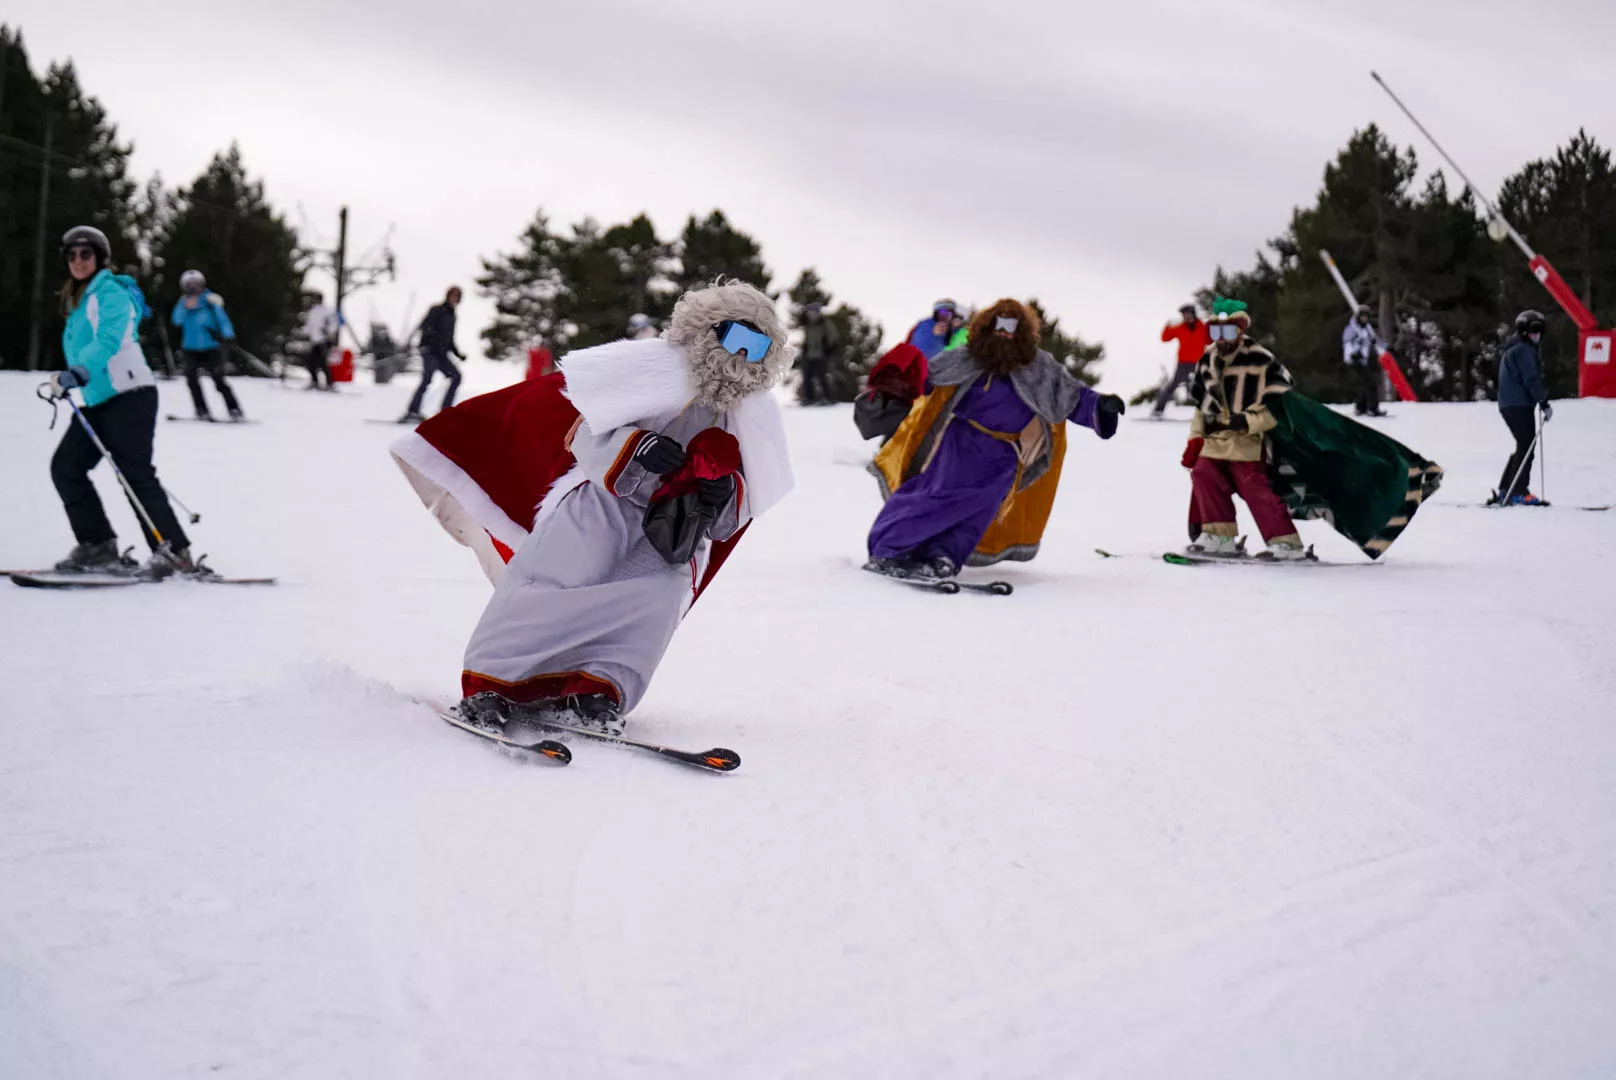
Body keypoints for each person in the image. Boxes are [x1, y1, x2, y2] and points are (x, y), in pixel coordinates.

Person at [390, 281, 796, 735]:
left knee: (657, 597)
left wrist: (727, 494)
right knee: (555, 577)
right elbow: (580, 432)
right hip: (606, 500)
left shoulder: (753, 411)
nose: (743, 356)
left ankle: (598, 690)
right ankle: (493, 684)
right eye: (735, 337)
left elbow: (751, 487)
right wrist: (635, 447)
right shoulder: (648, 367)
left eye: (757, 346)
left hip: (678, 521)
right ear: (707, 328)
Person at [866, 299, 1125, 580]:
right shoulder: (967, 357)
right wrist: (896, 385)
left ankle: (943, 555)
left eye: (1012, 326)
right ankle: (889, 548)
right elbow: (928, 376)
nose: (1005, 332)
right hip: (960, 446)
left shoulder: (1038, 367)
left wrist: (1100, 406)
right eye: (999, 324)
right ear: (988, 326)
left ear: (1022, 331)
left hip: (1004, 454)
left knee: (982, 508)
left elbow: (1071, 394)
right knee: (936, 499)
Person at [50, 226, 193, 575]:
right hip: (99, 399)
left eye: (86, 254)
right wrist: (72, 377)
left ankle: (174, 552)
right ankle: (97, 544)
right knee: (66, 467)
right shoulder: (80, 299)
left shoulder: (110, 292)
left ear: (100, 257)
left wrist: (80, 371)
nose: (78, 261)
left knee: (134, 474)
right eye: (72, 255)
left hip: (131, 395)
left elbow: (109, 339)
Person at [1492, 309, 1551, 505]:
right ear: (1524, 331)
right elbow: (1531, 379)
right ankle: (1518, 491)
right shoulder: (1523, 350)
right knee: (1526, 446)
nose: (1537, 336)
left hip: (1511, 404)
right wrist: (1543, 402)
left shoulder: (1515, 347)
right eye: (1533, 331)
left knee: (1524, 445)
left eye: (1539, 331)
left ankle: (1506, 489)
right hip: (1518, 404)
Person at [170, 269, 243, 421]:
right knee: (191, 379)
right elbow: (177, 320)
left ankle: (234, 409)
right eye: (189, 285)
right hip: (190, 348)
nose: (193, 288)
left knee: (218, 379)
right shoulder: (183, 303)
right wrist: (185, 307)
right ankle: (201, 409)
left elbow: (222, 320)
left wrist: (229, 336)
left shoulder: (211, 301)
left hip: (211, 347)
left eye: (196, 285)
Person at [401, 286, 466, 422]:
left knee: (456, 377)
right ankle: (413, 411)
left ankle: (446, 410)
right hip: (430, 351)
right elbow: (426, 327)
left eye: (457, 297)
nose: (454, 299)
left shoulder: (452, 315)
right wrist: (430, 343)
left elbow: (450, 339)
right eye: (452, 295)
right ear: (447, 296)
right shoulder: (436, 310)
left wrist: (458, 354)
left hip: (442, 354)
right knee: (427, 378)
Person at [1152, 303, 1209, 416]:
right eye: (1183, 315)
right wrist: (1167, 326)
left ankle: (1209, 413)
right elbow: (1164, 338)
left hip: (1199, 363)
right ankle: (1158, 411)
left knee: (1203, 387)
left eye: (1187, 314)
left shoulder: (1202, 327)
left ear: (1193, 314)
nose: (1185, 317)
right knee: (1172, 386)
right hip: (1183, 364)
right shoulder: (1180, 328)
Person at [1342, 304, 1387, 417]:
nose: (1364, 319)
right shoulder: (1352, 329)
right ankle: (1372, 409)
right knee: (1372, 383)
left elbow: (1375, 340)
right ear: (1358, 317)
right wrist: (1352, 354)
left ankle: (1360, 408)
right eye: (1362, 317)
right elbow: (1346, 343)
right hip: (1354, 360)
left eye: (1366, 317)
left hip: (1362, 360)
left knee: (1367, 383)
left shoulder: (1366, 328)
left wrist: (1388, 347)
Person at [798, 302, 839, 405]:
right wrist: (805, 347)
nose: (810, 315)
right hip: (810, 355)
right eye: (809, 313)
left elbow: (833, 336)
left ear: (817, 313)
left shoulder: (825, 324)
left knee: (822, 377)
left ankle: (828, 398)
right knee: (807, 377)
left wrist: (829, 347)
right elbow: (807, 339)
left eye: (812, 313)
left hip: (821, 355)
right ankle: (809, 398)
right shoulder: (808, 325)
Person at [302, 291, 340, 390]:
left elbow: (334, 324)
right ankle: (315, 381)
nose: (315, 301)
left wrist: (328, 332)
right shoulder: (312, 311)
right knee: (311, 362)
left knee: (321, 362)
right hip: (315, 341)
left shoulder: (327, 311)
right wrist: (303, 332)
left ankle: (330, 384)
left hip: (324, 341)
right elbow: (309, 326)